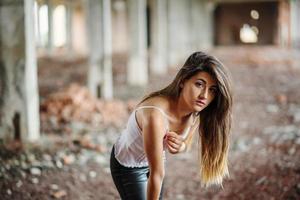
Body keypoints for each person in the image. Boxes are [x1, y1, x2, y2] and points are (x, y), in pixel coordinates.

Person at [110, 51, 233, 200]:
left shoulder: (195, 111)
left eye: (212, 90)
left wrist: (180, 147)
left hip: (153, 161)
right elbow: (157, 173)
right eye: (199, 84)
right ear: (182, 81)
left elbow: (185, 144)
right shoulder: (156, 116)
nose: (204, 96)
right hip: (128, 164)